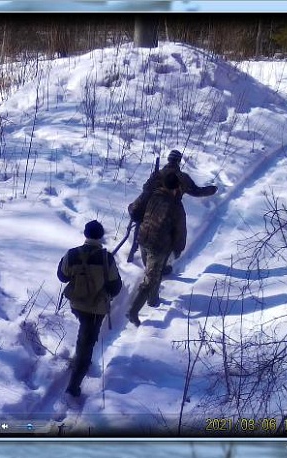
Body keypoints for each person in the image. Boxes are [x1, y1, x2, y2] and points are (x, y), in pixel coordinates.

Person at [126, 149, 218, 326]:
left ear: (169, 159)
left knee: (152, 267)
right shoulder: (180, 184)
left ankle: (153, 294)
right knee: (153, 274)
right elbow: (181, 227)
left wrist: (140, 214)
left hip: (144, 234)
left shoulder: (155, 178)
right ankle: (138, 307)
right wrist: (178, 249)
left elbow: (137, 203)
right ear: (179, 161)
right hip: (159, 242)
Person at [57, 220, 122, 397]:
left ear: (85, 234)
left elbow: (62, 276)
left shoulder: (72, 254)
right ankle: (74, 385)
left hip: (77, 304)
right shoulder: (106, 257)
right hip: (97, 308)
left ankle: (80, 357)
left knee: (85, 333)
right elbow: (116, 286)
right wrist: (105, 293)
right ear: (100, 236)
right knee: (88, 341)